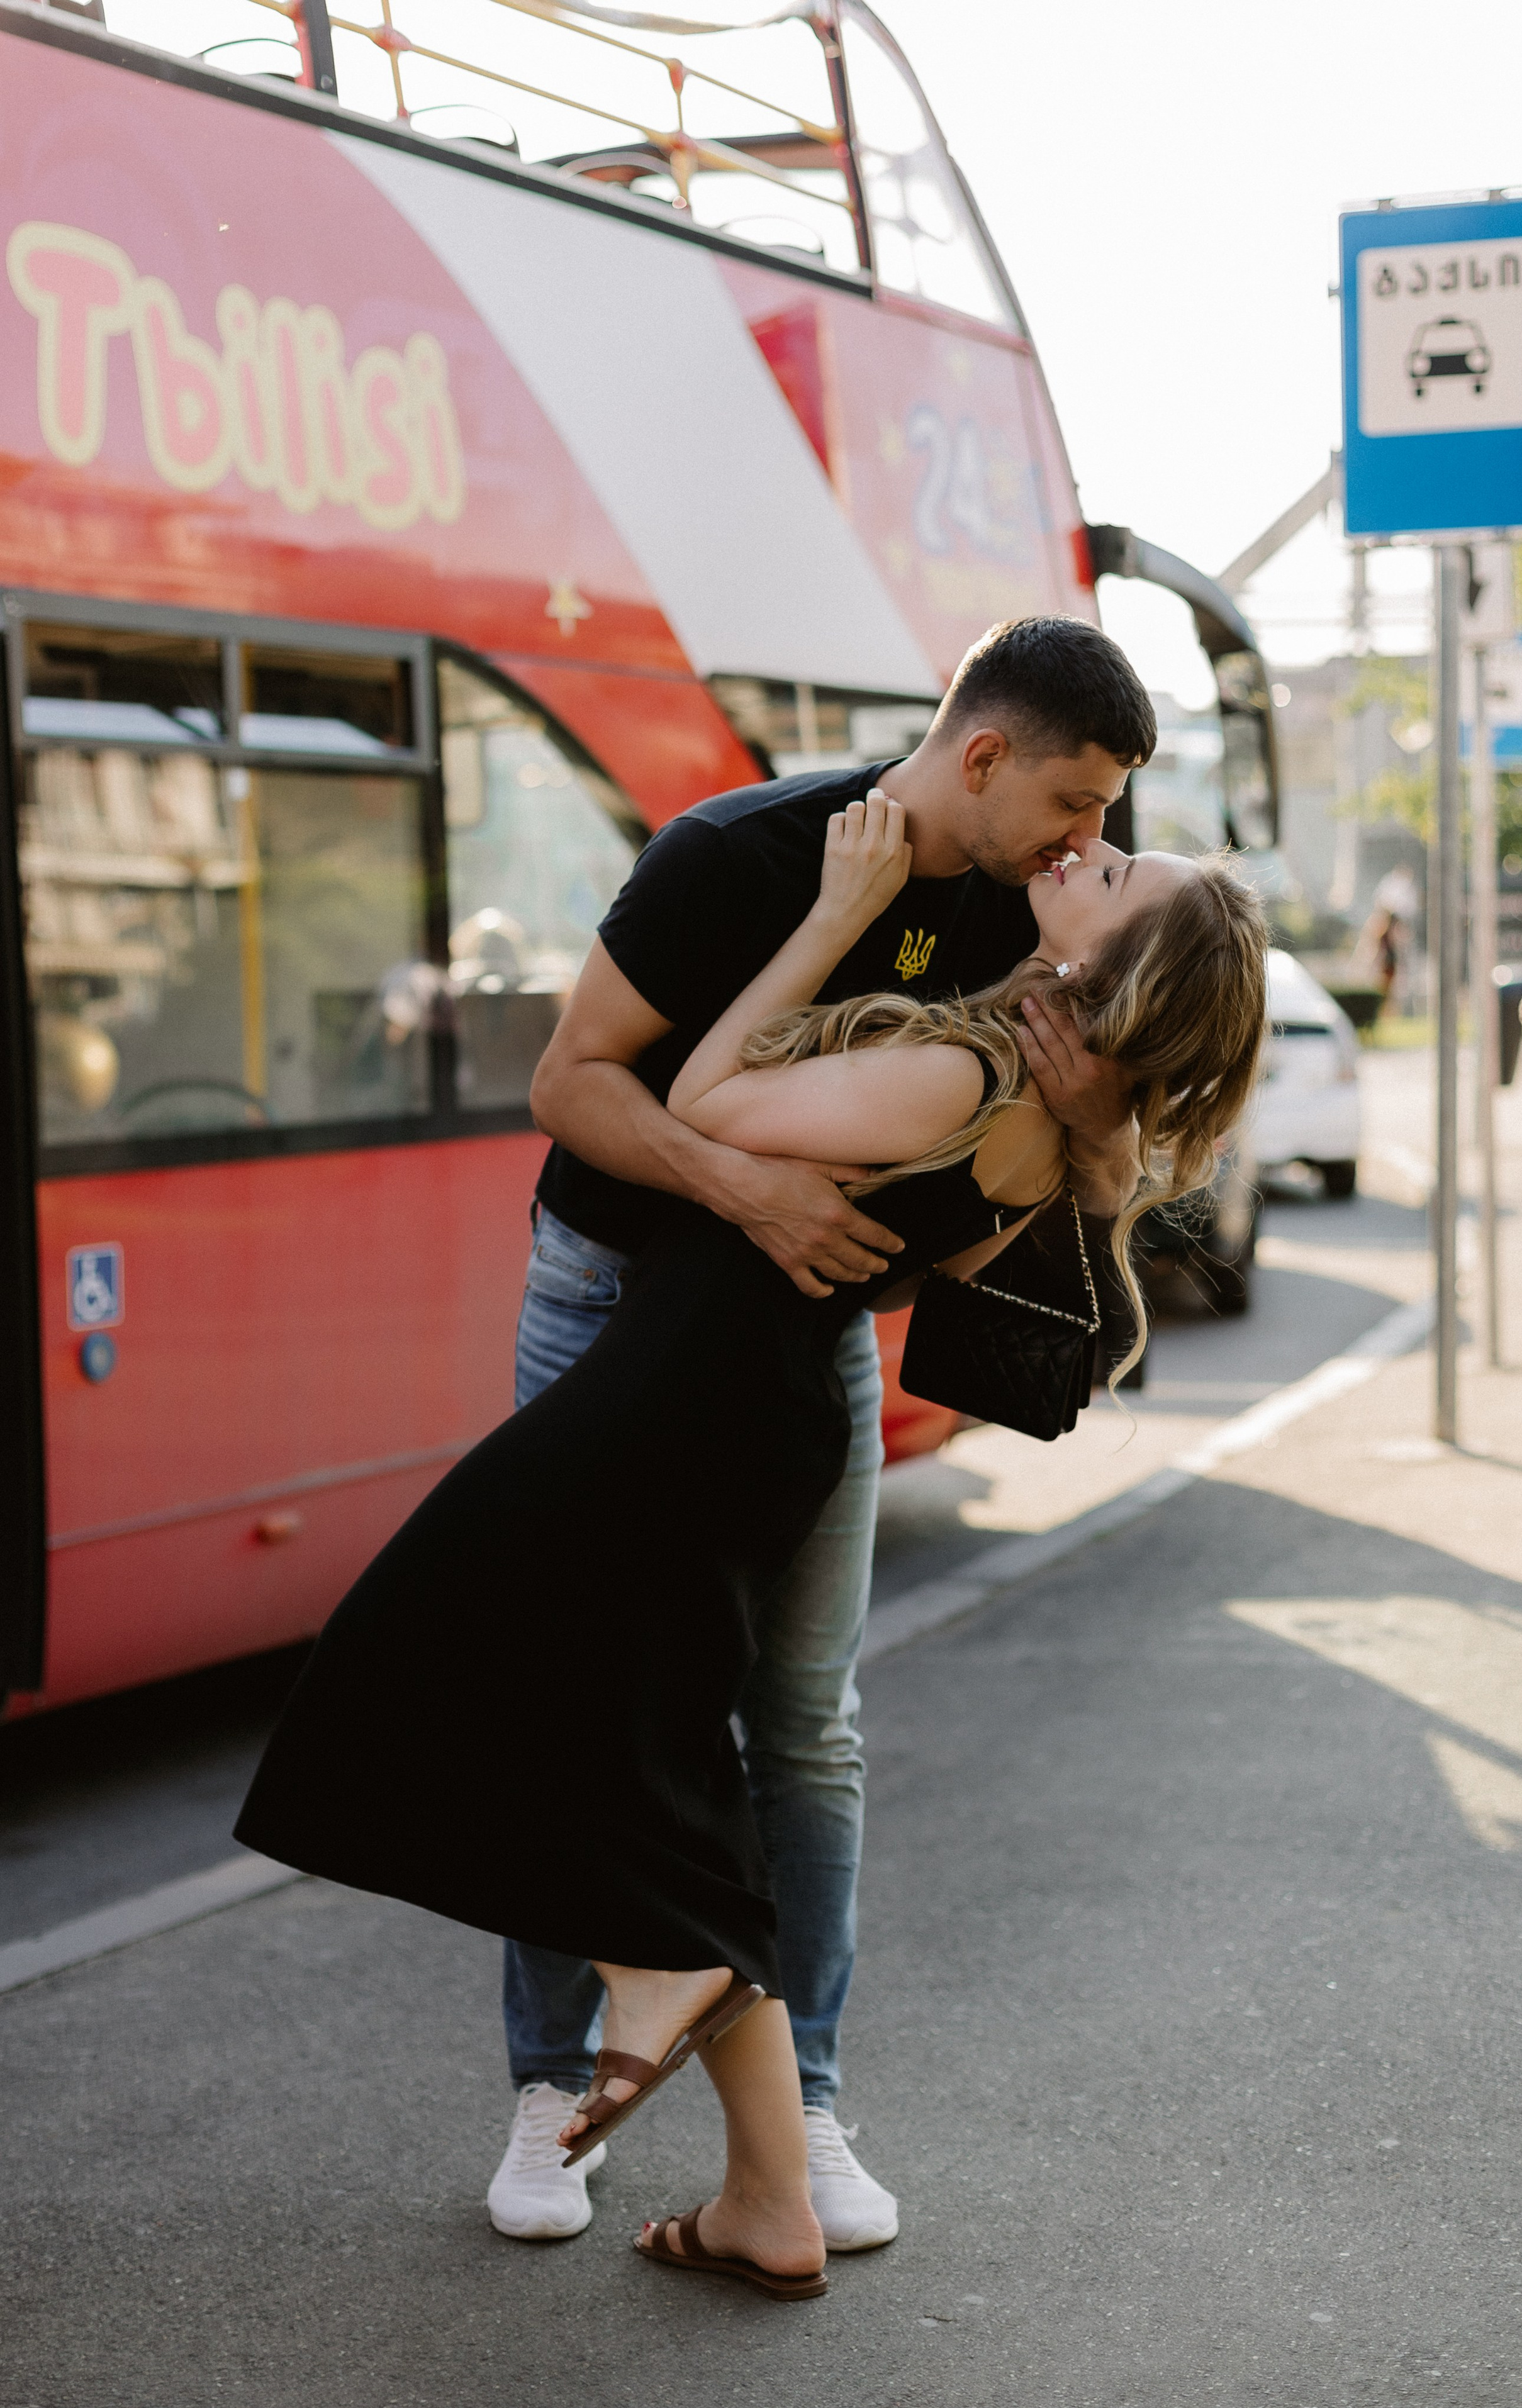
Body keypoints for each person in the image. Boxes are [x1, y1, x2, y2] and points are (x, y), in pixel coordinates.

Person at [235, 794, 1268, 2300]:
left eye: (1113, 869)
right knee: (658, 1759)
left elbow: (701, 1099)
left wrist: (831, 922)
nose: (1084, 847)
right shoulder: (1041, 1105)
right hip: (738, 1409)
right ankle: (768, 2191)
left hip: (688, 1401)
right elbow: (1054, 1304)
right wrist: (1103, 1145)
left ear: (1114, 971)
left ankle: (672, 1977)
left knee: (414, 1647)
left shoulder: (963, 1070)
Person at [487, 615, 1157, 2252]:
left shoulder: (1042, 907)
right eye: (1075, 802)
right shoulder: (738, 852)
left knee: (805, 1727)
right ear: (981, 755)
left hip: (806, 1346)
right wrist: (746, 1191)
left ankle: (817, 2111)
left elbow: (1060, 1196)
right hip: (611, 1304)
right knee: (580, 1693)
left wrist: (1093, 1128)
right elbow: (571, 1084)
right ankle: (548, 2088)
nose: (1095, 843)